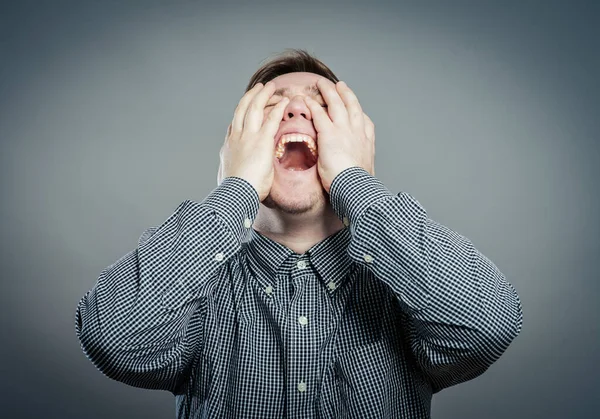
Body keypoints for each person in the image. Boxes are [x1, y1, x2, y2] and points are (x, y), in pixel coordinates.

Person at [75, 49, 523, 418]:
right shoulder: (201, 286)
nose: (295, 108)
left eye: (322, 107)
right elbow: (115, 340)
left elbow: (486, 326)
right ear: (240, 145)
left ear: (353, 138)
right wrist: (235, 190)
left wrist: (354, 180)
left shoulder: (403, 285)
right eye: (271, 106)